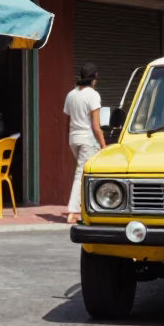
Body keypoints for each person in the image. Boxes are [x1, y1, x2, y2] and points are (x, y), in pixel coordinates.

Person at [65, 62, 106, 225]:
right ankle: (73, 211)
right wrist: (104, 145)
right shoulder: (93, 95)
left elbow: (67, 122)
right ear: (94, 78)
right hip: (88, 140)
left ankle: (84, 207)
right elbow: (96, 127)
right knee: (81, 174)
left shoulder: (71, 94)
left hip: (73, 138)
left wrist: (67, 139)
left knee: (84, 173)